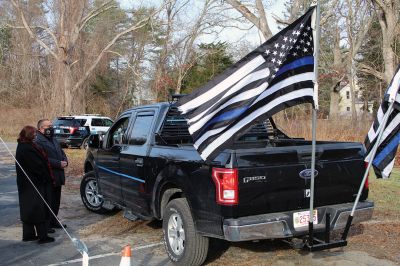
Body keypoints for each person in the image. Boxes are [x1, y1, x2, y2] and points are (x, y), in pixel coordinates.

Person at [15, 126, 55, 244]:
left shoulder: (25, 145)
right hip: (33, 183)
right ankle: (42, 236)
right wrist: (45, 177)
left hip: (27, 184)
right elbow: (37, 167)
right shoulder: (26, 148)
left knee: (28, 208)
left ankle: (28, 234)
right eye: (33, 133)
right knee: (38, 208)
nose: (35, 135)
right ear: (28, 135)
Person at [36, 119, 68, 229]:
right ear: (40, 129)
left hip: (58, 175)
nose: (51, 128)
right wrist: (58, 163)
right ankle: (47, 224)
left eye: (51, 126)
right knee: (48, 201)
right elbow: (42, 158)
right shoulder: (38, 141)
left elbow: (61, 152)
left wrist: (64, 160)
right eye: (48, 126)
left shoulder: (53, 138)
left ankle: (54, 220)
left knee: (56, 201)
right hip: (49, 176)